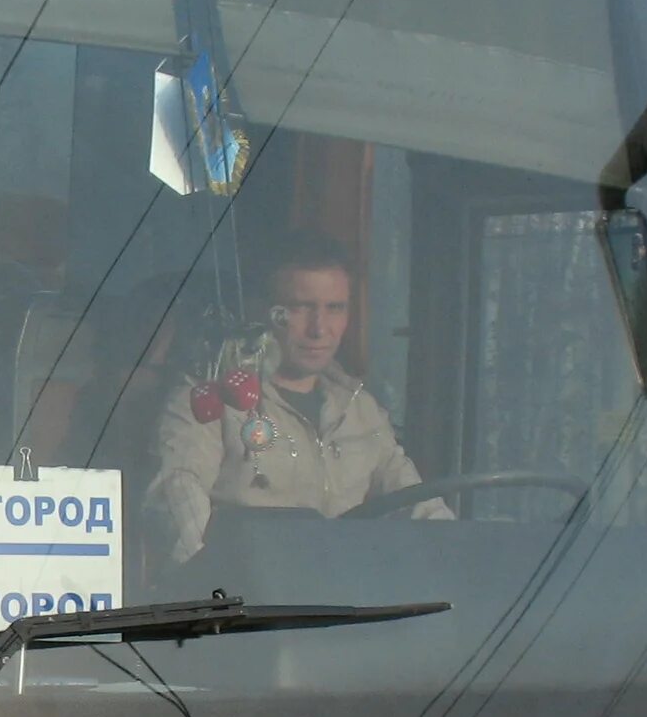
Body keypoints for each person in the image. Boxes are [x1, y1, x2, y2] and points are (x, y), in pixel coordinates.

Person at [147, 231, 436, 559]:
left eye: (335, 308)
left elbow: (417, 503)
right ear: (260, 312)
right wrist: (214, 582)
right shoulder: (211, 399)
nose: (319, 328)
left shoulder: (359, 408)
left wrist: (460, 554)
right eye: (301, 308)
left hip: (349, 594)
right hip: (253, 599)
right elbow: (177, 493)